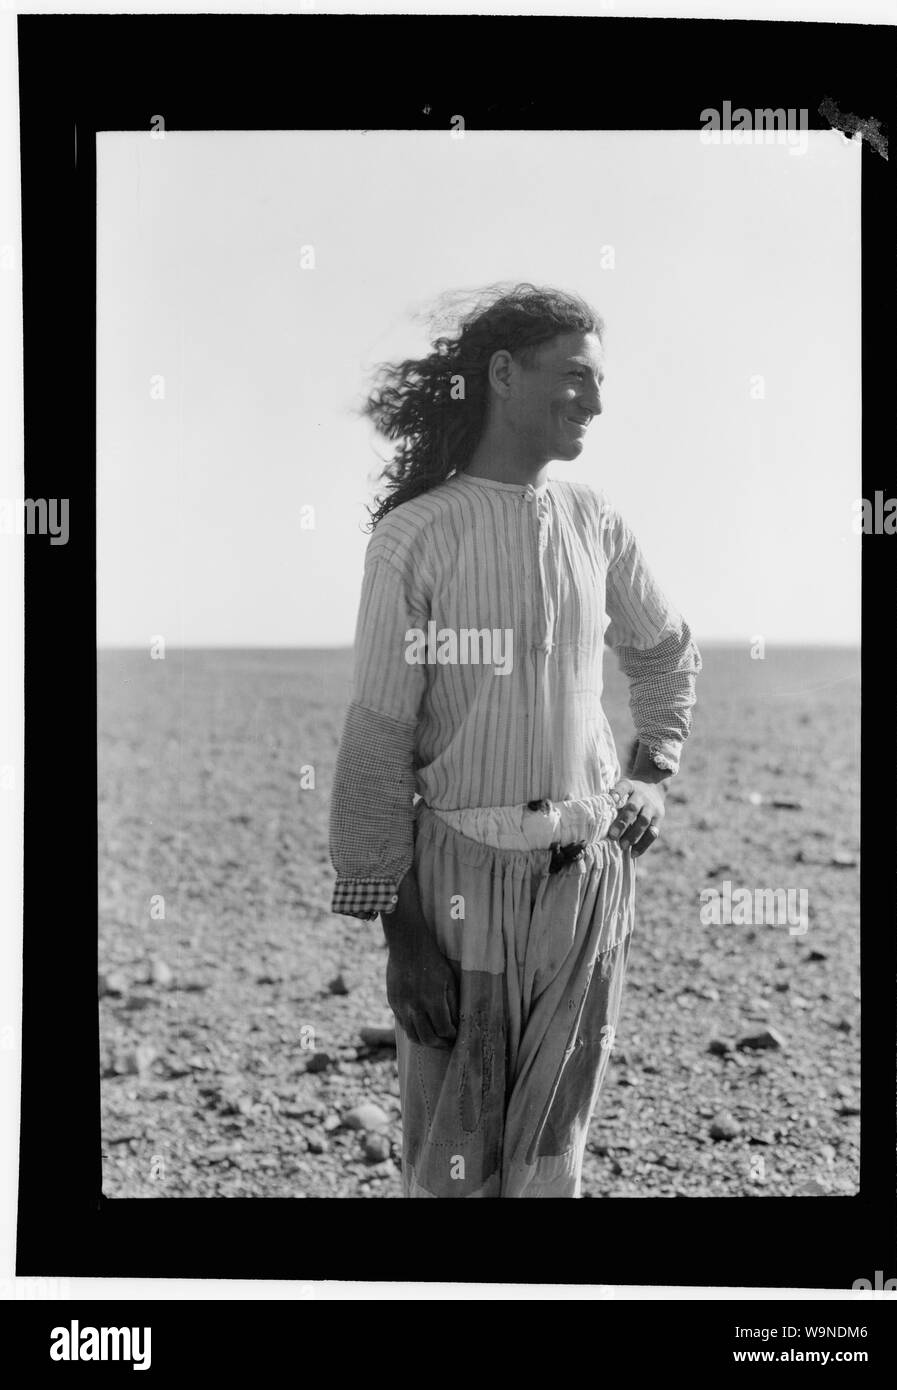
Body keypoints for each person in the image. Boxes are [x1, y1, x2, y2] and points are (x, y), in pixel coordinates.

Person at [328, 284, 701, 1198]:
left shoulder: (594, 520)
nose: (597, 403)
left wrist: (652, 774)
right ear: (503, 374)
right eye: (576, 376)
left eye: (600, 381)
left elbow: (665, 654)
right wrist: (402, 936)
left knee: (550, 1159)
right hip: (462, 889)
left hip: (586, 884)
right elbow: (380, 739)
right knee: (454, 1164)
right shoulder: (413, 538)